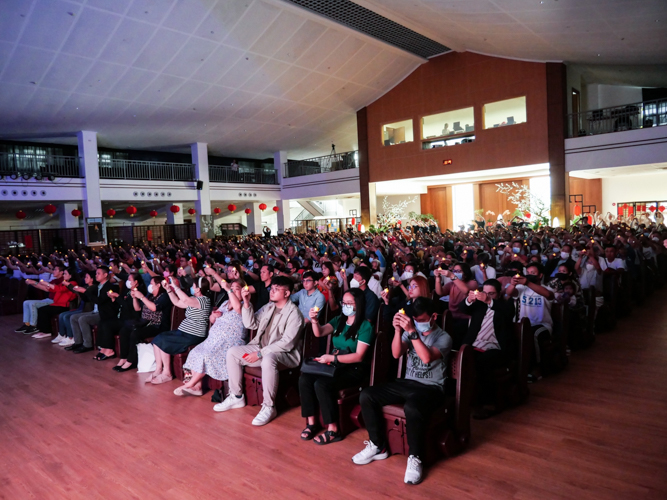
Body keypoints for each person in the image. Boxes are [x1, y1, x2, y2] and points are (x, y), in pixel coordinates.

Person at [353, 297, 452, 485]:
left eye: (422, 320)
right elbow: (396, 354)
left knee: (413, 407)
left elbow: (426, 358)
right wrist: (398, 331)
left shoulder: (443, 337)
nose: (418, 323)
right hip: (407, 383)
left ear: (433, 317)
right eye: (415, 320)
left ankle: (415, 457)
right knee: (367, 395)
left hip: (432, 387)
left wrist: (413, 332)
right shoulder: (410, 331)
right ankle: (377, 446)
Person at [214, 276, 305, 427]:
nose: (272, 292)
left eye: (277, 289)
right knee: (232, 352)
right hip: (261, 348)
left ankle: (269, 407)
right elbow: (250, 324)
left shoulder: (294, 314)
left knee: (269, 358)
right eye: (272, 288)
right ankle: (236, 396)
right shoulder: (269, 307)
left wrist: (260, 353)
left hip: (284, 355)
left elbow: (286, 344)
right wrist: (247, 303)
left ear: (287, 293)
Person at [299, 288, 373, 444]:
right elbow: (319, 333)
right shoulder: (339, 320)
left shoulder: (365, 326)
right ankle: (311, 423)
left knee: (322, 384)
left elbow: (359, 356)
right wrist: (314, 321)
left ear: (358, 305)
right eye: (343, 302)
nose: (345, 305)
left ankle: (333, 429)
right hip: (334, 365)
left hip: (353, 368)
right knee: (305, 379)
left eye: (349, 303)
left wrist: (334, 358)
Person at [174, 279, 248, 396]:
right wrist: (213, 316)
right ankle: (197, 387)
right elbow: (212, 320)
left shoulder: (244, 304)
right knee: (195, 352)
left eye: (236, 289)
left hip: (229, 342)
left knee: (206, 356)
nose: (232, 291)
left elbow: (238, 308)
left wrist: (228, 290)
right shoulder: (225, 303)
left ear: (243, 291)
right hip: (213, 340)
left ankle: (189, 384)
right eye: (231, 288)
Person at [459, 279, 515, 419]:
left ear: (499, 294)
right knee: (459, 360)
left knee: (482, 363)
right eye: (485, 292)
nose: (487, 295)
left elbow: (508, 313)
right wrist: (469, 299)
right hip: (474, 344)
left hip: (495, 347)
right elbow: (463, 308)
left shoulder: (505, 305)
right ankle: (460, 399)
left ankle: (487, 403)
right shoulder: (478, 305)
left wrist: (490, 301)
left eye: (492, 293)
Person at [146, 276, 211, 384]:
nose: (191, 287)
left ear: (198, 289)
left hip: (193, 335)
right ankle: (158, 370)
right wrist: (168, 290)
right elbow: (177, 302)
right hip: (183, 332)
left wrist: (175, 287)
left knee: (164, 340)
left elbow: (185, 299)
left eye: (193, 286)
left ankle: (167, 373)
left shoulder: (204, 300)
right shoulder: (193, 300)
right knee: (159, 338)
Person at [505, 262, 555, 382]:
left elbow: (548, 295)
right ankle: (514, 367)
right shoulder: (522, 289)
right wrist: (512, 284)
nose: (529, 275)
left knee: (534, 334)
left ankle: (538, 368)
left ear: (540, 275)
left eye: (533, 273)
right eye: (527, 273)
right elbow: (509, 293)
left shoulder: (546, 288)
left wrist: (528, 282)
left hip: (543, 324)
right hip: (524, 324)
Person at [114, 276, 172, 372]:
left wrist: (141, 296)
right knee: (124, 330)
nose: (150, 286)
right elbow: (138, 309)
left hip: (157, 325)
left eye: (152, 284)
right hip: (145, 322)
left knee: (136, 333)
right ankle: (123, 357)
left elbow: (154, 308)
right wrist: (134, 298)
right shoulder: (150, 296)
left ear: (158, 285)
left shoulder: (164, 296)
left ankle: (131, 361)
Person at [95, 272, 146, 361]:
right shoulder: (127, 290)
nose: (128, 282)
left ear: (136, 282)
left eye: (130, 280)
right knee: (102, 322)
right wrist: (114, 298)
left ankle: (109, 349)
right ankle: (103, 348)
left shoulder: (139, 292)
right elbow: (121, 301)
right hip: (121, 316)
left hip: (130, 319)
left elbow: (130, 307)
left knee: (108, 325)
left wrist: (118, 297)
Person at [68, 266, 118, 354]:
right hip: (95, 311)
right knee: (73, 317)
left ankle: (87, 344)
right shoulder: (98, 286)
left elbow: (99, 301)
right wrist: (81, 292)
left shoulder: (109, 287)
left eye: (98, 273)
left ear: (105, 275)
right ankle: (78, 342)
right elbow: (88, 299)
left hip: (104, 314)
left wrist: (85, 291)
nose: (96, 275)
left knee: (83, 319)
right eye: (96, 274)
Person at [31, 266, 77, 340]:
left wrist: (47, 284)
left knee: (43, 310)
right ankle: (43, 330)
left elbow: (61, 289)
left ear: (70, 275)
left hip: (65, 306)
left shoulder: (72, 283)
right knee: (41, 309)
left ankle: (47, 331)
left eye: (65, 274)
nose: (64, 276)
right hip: (57, 304)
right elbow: (52, 289)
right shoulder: (63, 283)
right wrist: (36, 283)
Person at [16, 266, 64, 335]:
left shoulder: (62, 281)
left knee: (33, 304)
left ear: (61, 272)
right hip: (49, 299)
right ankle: (27, 324)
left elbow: (47, 288)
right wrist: (32, 283)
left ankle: (34, 325)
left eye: (55, 270)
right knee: (26, 302)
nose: (53, 271)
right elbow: (45, 288)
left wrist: (34, 282)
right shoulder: (54, 280)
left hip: (54, 301)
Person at [57, 270, 95, 347]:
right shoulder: (86, 287)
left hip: (87, 310)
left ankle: (71, 337)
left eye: (87, 277)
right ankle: (63, 335)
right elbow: (78, 290)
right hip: (81, 308)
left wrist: (69, 285)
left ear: (92, 279)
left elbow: (82, 293)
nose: (85, 279)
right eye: (85, 277)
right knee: (62, 315)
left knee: (68, 316)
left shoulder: (93, 288)